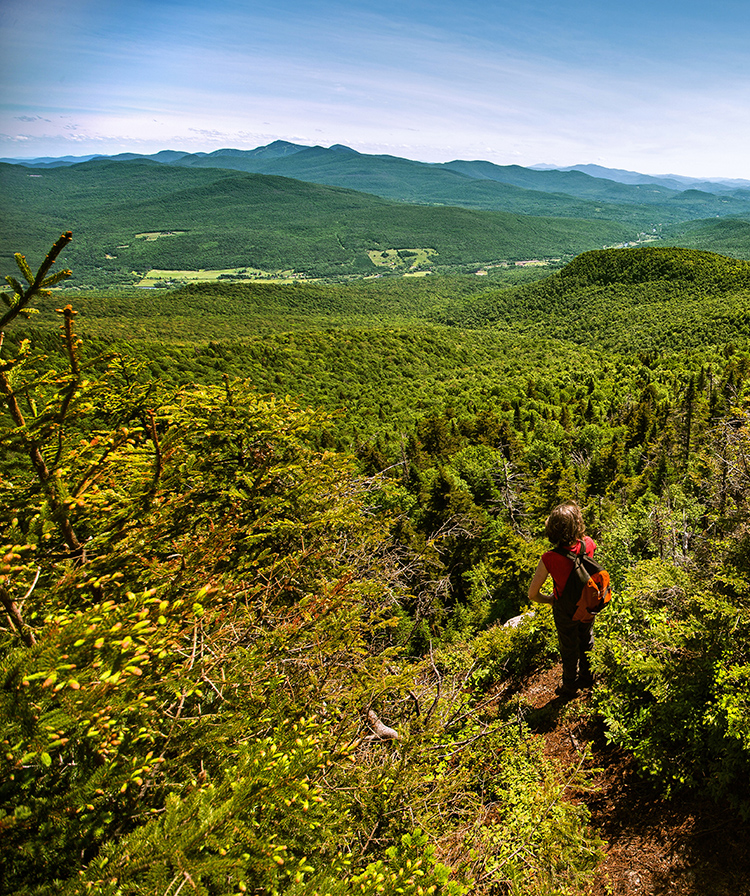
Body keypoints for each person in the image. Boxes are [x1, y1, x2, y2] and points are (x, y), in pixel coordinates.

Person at [527, 501, 596, 699]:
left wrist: (550, 600)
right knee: (586, 639)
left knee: (568, 646)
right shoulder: (589, 544)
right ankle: (587, 676)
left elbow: (532, 594)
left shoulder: (549, 558)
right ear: (577, 525)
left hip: (564, 609)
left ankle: (569, 687)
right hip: (586, 605)